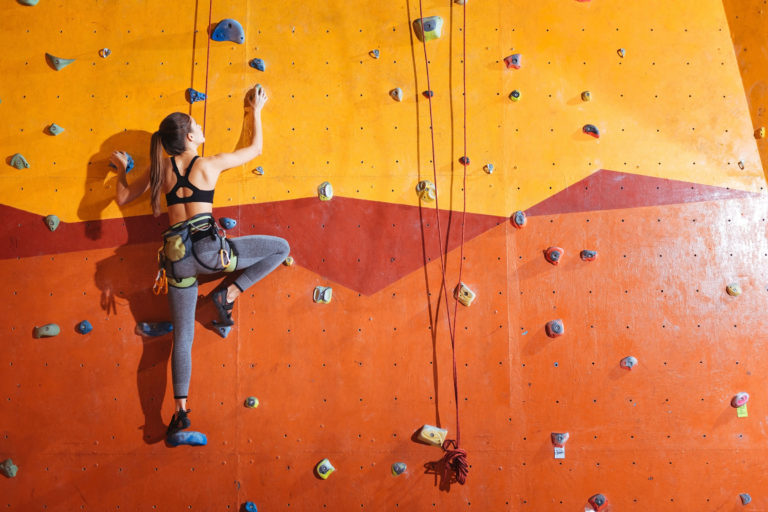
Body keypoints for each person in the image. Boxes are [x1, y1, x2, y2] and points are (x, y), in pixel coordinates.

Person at [110, 84, 290, 438]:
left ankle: (179, 412)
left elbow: (123, 196)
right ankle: (228, 295)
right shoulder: (207, 164)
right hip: (210, 253)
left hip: (176, 261)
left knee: (183, 339)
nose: (202, 129)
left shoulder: (159, 172)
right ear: (191, 136)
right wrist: (255, 109)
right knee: (280, 248)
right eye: (198, 125)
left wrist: (120, 169)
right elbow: (253, 149)